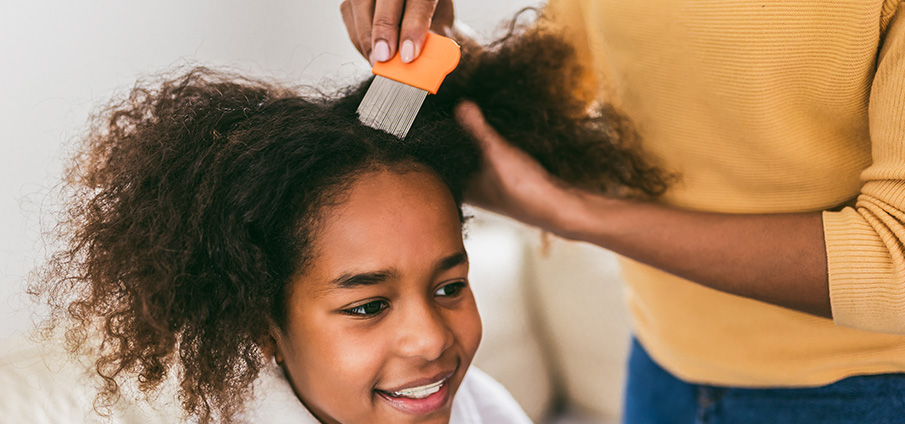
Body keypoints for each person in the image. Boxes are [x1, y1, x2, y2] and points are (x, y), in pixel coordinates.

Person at [31, 20, 667, 423]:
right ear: (265, 326)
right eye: (367, 306)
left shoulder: (483, 407)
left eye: (450, 288)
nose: (430, 341)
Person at [340, 0, 905, 423]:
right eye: (367, 305)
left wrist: (574, 213)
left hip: (866, 391)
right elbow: (554, 99)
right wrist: (440, 48)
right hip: (661, 363)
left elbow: (894, 263)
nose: (429, 344)